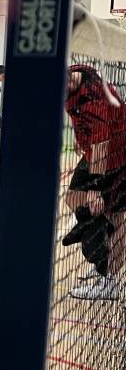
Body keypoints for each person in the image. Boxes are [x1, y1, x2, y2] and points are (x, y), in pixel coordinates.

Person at [62, 63, 126, 300]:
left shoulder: (95, 102)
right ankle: (102, 248)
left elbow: (102, 147)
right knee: (74, 200)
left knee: (116, 215)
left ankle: (107, 280)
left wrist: (95, 187)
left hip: (114, 157)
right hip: (97, 152)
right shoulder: (80, 71)